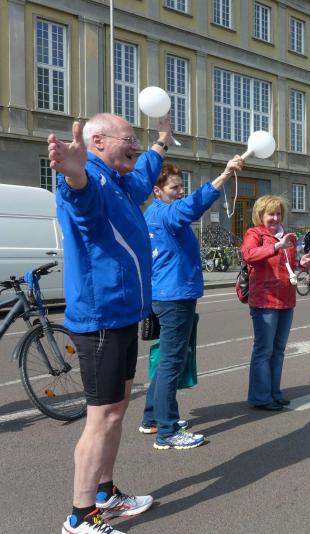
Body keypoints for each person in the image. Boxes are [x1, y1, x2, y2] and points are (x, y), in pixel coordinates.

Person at [49, 113, 173, 534]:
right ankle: (80, 517)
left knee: (117, 410)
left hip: (122, 315)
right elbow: (82, 202)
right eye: (129, 139)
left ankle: (105, 494)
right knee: (101, 417)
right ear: (99, 141)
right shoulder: (90, 181)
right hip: (100, 318)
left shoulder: (119, 181)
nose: (135, 145)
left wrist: (161, 141)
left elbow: (143, 176)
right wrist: (74, 174)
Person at [139, 155, 243, 450]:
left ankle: (152, 418)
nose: (181, 191)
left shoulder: (152, 213)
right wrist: (224, 174)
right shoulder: (167, 214)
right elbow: (192, 206)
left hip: (165, 293)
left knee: (166, 359)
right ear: (157, 191)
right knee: (172, 362)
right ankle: (167, 431)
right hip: (175, 296)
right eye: (174, 187)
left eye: (181, 186)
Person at [242, 196, 310, 410]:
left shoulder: (288, 236)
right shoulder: (255, 233)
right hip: (264, 299)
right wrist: (275, 247)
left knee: (279, 349)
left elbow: (289, 265)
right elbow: (248, 254)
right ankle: (260, 397)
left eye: (278, 213)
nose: (275, 218)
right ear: (260, 215)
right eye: (270, 214)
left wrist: (302, 264)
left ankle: (274, 392)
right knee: (264, 349)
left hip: (286, 298)